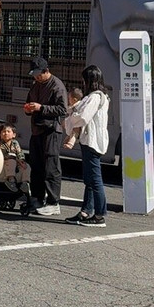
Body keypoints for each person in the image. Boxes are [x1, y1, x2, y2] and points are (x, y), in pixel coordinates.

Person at [62, 64, 111, 227]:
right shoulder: (102, 96)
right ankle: (86, 211)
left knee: (94, 179)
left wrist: (68, 120)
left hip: (91, 141)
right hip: (96, 140)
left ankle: (99, 215)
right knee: (90, 179)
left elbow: (83, 117)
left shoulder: (94, 97)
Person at [21, 56, 67, 216]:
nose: (36, 77)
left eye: (38, 74)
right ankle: (37, 199)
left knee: (51, 167)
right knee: (36, 166)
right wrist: (28, 109)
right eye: (34, 74)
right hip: (37, 130)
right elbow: (29, 102)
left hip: (51, 131)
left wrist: (41, 108)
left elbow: (63, 110)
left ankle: (54, 202)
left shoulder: (57, 86)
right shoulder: (36, 85)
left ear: (46, 71)